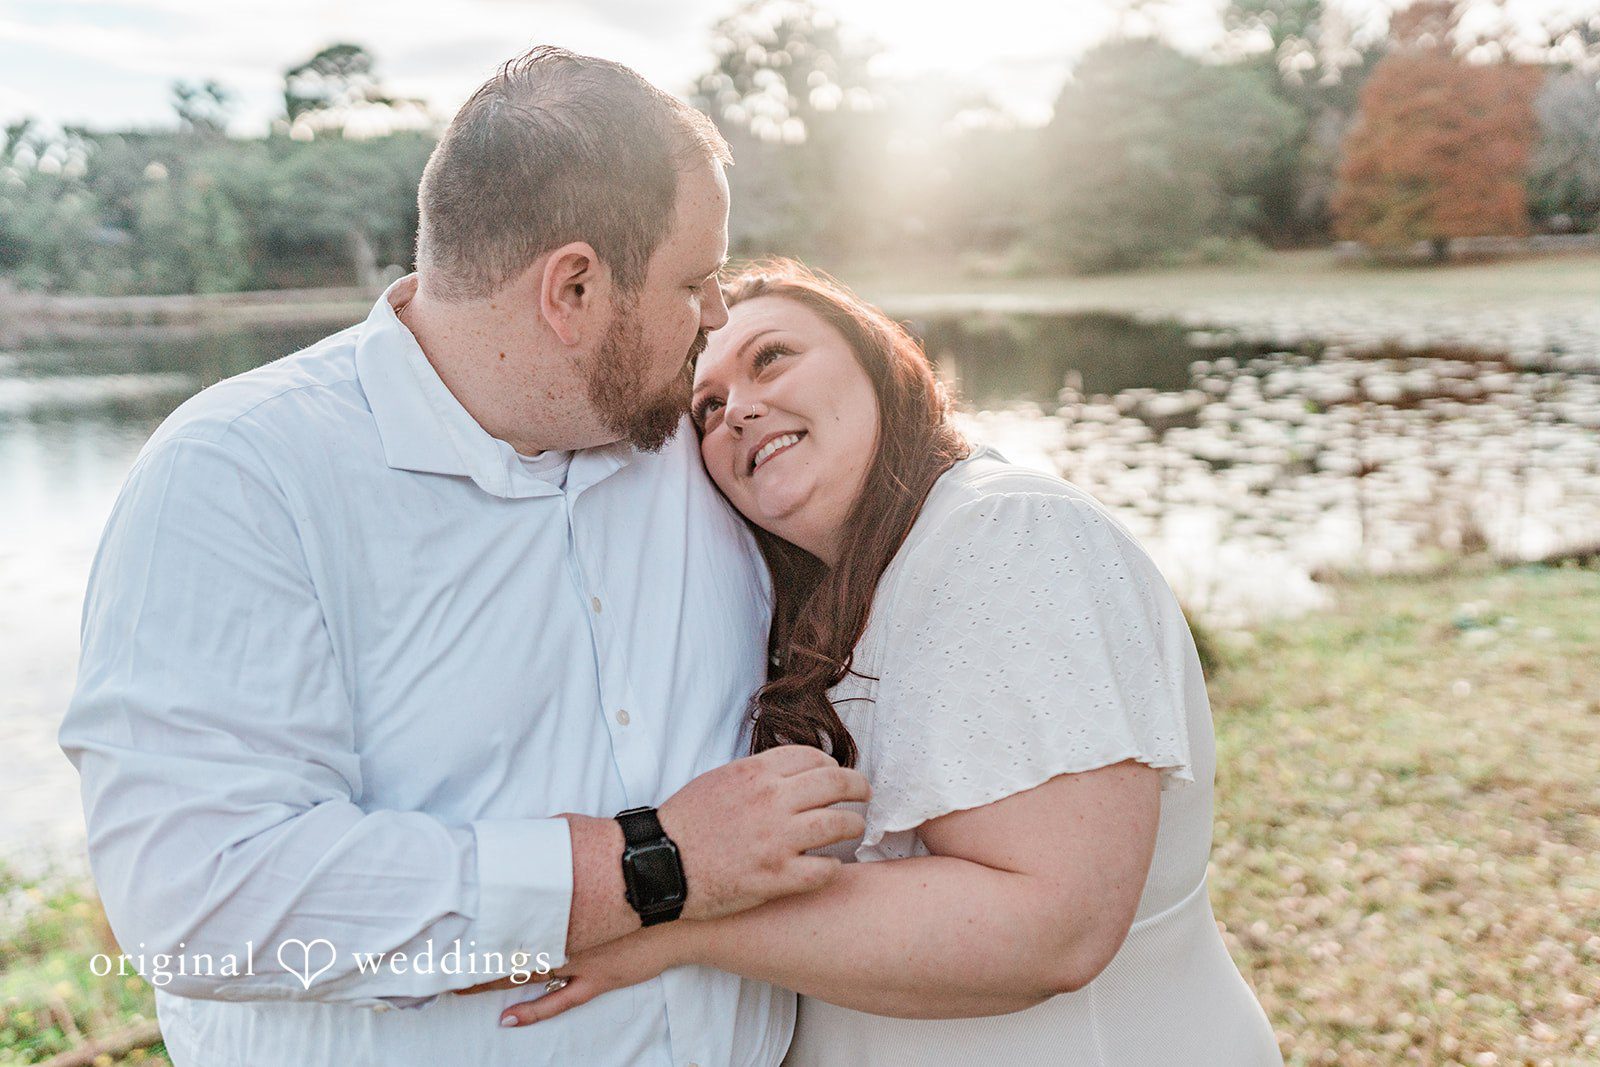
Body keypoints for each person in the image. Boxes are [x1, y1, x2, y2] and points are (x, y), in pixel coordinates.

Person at [59, 51, 870, 1067]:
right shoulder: (240, 474)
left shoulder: (696, 436)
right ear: (571, 287)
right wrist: (655, 863)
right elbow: (204, 900)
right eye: (694, 281)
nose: (716, 315)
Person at [493, 261, 1284, 1065]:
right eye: (707, 407)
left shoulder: (1009, 535)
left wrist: (672, 920)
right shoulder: (831, 605)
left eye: (770, 357)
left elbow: (1052, 928)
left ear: (878, 359)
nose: (738, 409)